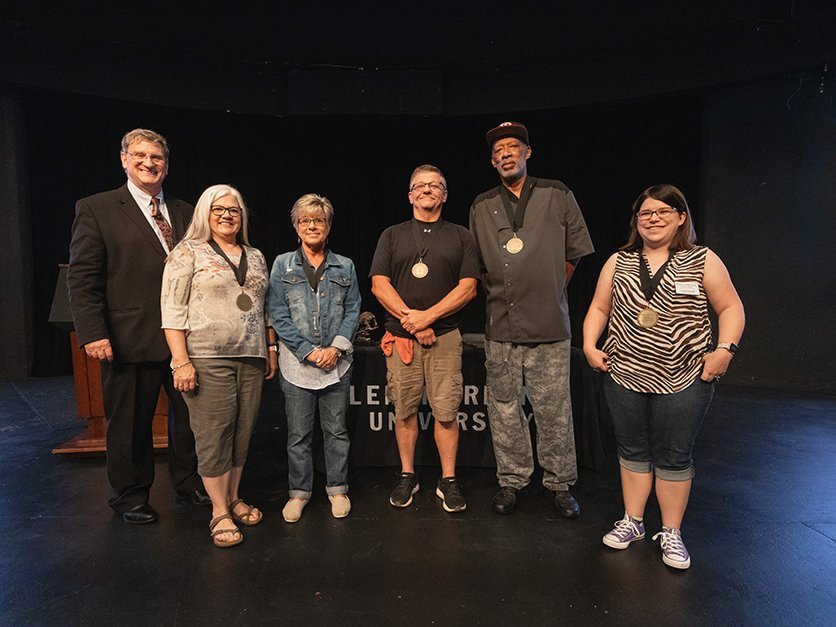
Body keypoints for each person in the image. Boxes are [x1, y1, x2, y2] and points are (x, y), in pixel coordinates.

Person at [583, 183, 745, 570]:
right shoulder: (618, 262)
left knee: (674, 454)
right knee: (632, 450)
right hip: (624, 373)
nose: (653, 219)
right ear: (636, 222)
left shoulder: (703, 259)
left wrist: (725, 351)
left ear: (681, 218)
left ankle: (671, 531)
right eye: (645, 214)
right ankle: (633, 522)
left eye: (662, 212)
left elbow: (731, 307)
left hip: (685, 377)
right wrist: (590, 344)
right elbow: (598, 308)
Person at [67, 128, 208, 524]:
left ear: (167, 164)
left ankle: (190, 481)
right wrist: (93, 333)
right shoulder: (97, 208)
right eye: (141, 155)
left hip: (185, 340)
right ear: (124, 160)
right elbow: (82, 278)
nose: (149, 163)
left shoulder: (185, 210)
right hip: (128, 338)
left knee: (191, 420)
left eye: (157, 157)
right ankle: (129, 496)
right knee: (130, 425)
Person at [469, 122, 594, 517]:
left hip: (549, 326)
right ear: (492, 161)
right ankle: (512, 480)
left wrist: (549, 287)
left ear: (527, 152)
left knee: (553, 407)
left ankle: (559, 483)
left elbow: (573, 254)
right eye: (499, 150)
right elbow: (480, 269)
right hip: (500, 326)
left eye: (513, 146)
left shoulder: (557, 193)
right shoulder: (480, 205)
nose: (506, 153)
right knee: (504, 407)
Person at [161, 184, 276, 548]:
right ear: (204, 214)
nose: (227, 215)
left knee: (242, 433)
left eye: (234, 210)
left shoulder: (255, 255)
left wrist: (270, 348)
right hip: (206, 357)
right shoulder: (187, 253)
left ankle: (234, 496)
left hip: (252, 356)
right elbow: (172, 309)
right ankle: (219, 511)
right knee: (214, 435)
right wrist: (181, 361)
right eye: (218, 209)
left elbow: (264, 306)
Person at [370, 164, 479, 513]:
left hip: (445, 336)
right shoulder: (392, 234)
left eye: (435, 185)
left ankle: (447, 480)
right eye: (420, 185)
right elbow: (379, 284)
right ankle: (408, 475)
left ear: (445, 195)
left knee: (446, 410)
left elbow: (469, 287)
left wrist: (430, 317)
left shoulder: (461, 235)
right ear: (410, 195)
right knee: (404, 410)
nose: (427, 190)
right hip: (402, 337)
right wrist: (412, 321)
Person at [268, 194, 361, 523]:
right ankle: (300, 493)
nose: (312, 226)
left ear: (328, 226)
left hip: (336, 364)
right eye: (305, 221)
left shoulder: (345, 265)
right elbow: (277, 314)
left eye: (318, 220)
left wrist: (335, 348)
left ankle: (337, 488)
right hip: (297, 365)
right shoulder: (282, 264)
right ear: (296, 227)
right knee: (299, 435)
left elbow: (353, 310)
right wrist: (307, 350)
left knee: (336, 432)